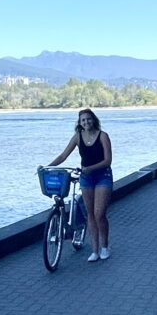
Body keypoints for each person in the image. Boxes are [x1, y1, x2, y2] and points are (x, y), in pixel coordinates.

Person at [43, 108, 113, 262]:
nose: (86, 122)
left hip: (103, 176)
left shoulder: (103, 136)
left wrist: (90, 169)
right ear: (79, 123)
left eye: (88, 119)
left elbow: (108, 161)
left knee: (99, 214)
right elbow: (63, 155)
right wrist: (47, 167)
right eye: (83, 120)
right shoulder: (78, 137)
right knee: (90, 214)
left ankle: (105, 247)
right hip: (86, 178)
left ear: (93, 120)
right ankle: (95, 250)